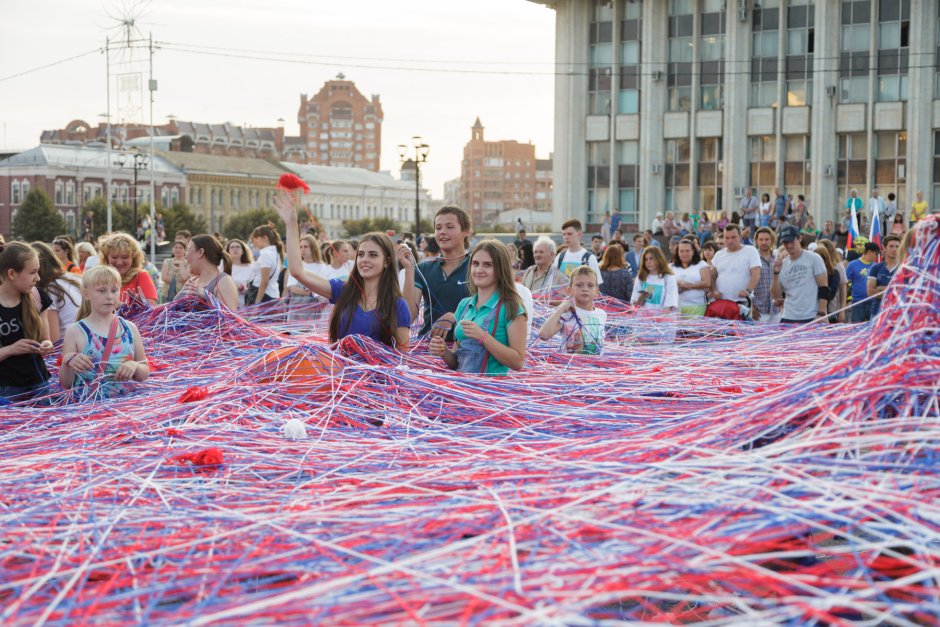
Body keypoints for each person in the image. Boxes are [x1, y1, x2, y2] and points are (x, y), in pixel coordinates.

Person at [276, 193, 410, 348]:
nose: (364, 259)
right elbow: (298, 272)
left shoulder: (397, 305)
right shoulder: (343, 290)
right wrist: (291, 224)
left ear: (386, 261)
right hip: (339, 368)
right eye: (360, 254)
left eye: (373, 255)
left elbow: (401, 357)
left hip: (375, 372)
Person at [429, 239, 526, 374]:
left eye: (487, 265)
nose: (479, 270)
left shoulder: (511, 307)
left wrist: (483, 337)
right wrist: (444, 352)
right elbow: (457, 362)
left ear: (500, 269)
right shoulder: (464, 305)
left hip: (488, 390)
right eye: (475, 264)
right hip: (462, 386)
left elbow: (518, 362)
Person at [59, 265, 149, 400]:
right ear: (86, 294)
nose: (109, 296)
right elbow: (66, 383)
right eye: (101, 291)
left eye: (114, 290)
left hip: (125, 407)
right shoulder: (75, 331)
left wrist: (134, 366)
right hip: (88, 409)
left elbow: (144, 372)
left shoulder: (130, 328)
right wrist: (67, 361)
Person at [403, 205, 473, 337]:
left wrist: (455, 316)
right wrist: (408, 270)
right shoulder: (424, 268)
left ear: (465, 231)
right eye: (438, 228)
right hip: (427, 348)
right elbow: (408, 316)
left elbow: (490, 312)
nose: (442, 232)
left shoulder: (478, 266)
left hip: (467, 348)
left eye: (450, 227)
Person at [0, 242, 55, 402]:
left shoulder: (37, 297)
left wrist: (46, 345)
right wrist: (11, 349)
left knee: (46, 426)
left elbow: (46, 338)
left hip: (39, 383)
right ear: (11, 274)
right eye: (33, 272)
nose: (38, 278)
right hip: (6, 389)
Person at [539, 265, 607, 354]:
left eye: (590, 285)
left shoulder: (601, 314)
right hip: (571, 366)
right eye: (579, 285)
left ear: (597, 292)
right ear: (570, 290)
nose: (585, 289)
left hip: (594, 367)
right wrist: (561, 308)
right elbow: (544, 335)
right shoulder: (567, 314)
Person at [771, 225, 828, 324]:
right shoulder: (782, 264)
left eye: (791, 241)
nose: (788, 245)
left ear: (799, 238)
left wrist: (821, 313)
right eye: (785, 242)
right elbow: (776, 296)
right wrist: (775, 274)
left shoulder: (814, 258)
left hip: (811, 316)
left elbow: (824, 288)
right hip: (788, 316)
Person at [32, 241, 82, 342]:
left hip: (69, 347)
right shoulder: (74, 278)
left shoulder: (48, 290)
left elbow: (53, 340)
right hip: (89, 341)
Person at [176, 234, 239, 311]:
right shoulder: (192, 281)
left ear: (200, 252)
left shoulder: (224, 281)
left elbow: (230, 318)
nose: (185, 256)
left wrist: (207, 296)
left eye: (188, 250)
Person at [99, 233, 158, 307]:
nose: (119, 262)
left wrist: (142, 305)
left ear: (133, 258)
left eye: (125, 257)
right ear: (106, 258)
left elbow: (153, 310)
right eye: (114, 257)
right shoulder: (99, 277)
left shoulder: (140, 276)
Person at [711, 224, 761, 308]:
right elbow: (712, 276)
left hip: (742, 302)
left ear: (740, 237)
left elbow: (756, 274)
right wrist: (714, 290)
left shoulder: (751, 251)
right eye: (727, 238)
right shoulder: (718, 254)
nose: (730, 241)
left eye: (733, 237)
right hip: (721, 302)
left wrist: (748, 291)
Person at [285, 233, 327, 320]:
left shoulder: (322, 267)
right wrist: (310, 293)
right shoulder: (297, 266)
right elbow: (292, 288)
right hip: (296, 310)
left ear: (313, 247)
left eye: (306, 247)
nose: (302, 250)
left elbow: (323, 288)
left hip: (313, 310)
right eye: (300, 247)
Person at [554, 219, 603, 285]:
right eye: (564, 234)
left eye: (569, 234)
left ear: (579, 234)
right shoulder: (560, 257)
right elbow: (553, 282)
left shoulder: (589, 258)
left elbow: (597, 285)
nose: (566, 237)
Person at [631, 246, 679, 312]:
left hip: (663, 320)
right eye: (646, 259)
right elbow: (635, 305)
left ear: (659, 259)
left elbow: (669, 303)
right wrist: (642, 296)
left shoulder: (668, 277)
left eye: (651, 258)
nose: (648, 262)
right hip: (643, 320)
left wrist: (659, 320)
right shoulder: (641, 277)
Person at [866, 233, 901, 318]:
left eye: (897, 247)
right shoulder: (876, 268)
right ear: (884, 248)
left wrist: (880, 288)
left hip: (897, 314)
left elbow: (904, 292)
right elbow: (870, 292)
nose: (894, 249)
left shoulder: (904, 269)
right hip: (877, 314)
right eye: (891, 246)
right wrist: (893, 290)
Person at [670, 239, 709, 316]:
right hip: (676, 309)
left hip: (697, 307)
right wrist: (677, 285)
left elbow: (707, 282)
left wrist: (689, 286)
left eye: (687, 251)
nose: (684, 253)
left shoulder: (701, 264)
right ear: (677, 252)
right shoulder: (671, 266)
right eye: (681, 251)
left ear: (693, 251)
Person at [751, 227, 781, 324]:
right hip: (758, 311)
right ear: (756, 241)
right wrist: (751, 307)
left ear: (771, 240)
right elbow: (745, 283)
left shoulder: (778, 259)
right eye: (761, 239)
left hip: (776, 311)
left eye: (767, 239)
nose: (764, 242)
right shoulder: (751, 259)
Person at [844, 242, 879, 323]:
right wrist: (846, 301)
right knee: (856, 327)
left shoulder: (876, 266)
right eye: (876, 253)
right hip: (857, 302)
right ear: (870, 252)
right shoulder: (852, 265)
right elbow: (845, 283)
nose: (877, 256)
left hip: (873, 303)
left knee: (872, 328)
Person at [248, 225, 283, 304]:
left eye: (255, 239)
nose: (254, 242)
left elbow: (264, 281)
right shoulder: (275, 253)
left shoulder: (266, 254)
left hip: (263, 295)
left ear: (264, 238)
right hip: (272, 293)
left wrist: (257, 303)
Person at [814, 241, 845, 323]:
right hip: (809, 312)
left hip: (830, 310)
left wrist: (842, 310)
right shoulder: (810, 272)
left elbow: (842, 288)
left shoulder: (836, 269)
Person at [226, 239, 255, 308]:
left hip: (243, 306)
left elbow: (253, 291)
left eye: (238, 247)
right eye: (232, 247)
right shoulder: (222, 265)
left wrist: (241, 288)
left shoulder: (251, 267)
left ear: (243, 251)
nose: (235, 249)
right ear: (228, 251)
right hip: (225, 304)